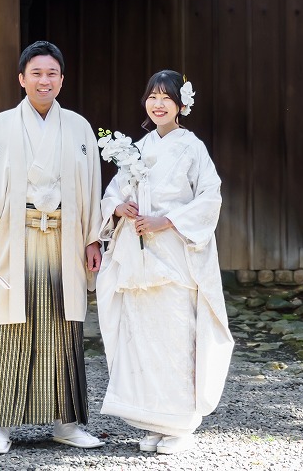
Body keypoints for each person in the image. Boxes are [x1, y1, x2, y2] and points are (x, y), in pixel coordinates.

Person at [0, 40, 104, 455]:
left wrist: (93, 237)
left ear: (62, 79)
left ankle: (66, 423)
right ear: (21, 79)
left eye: (52, 73)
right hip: (10, 241)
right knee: (8, 329)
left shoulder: (78, 128)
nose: (44, 80)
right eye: (36, 73)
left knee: (62, 327)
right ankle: (0, 425)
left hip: (63, 239)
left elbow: (92, 188)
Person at [96, 70, 234, 455]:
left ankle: (179, 424)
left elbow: (210, 197)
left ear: (181, 106)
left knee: (176, 335)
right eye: (152, 96)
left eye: (166, 98)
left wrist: (167, 220)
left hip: (175, 253)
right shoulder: (135, 148)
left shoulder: (193, 148)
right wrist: (119, 208)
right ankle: (154, 421)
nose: (157, 104)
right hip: (140, 258)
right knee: (144, 337)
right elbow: (113, 193)